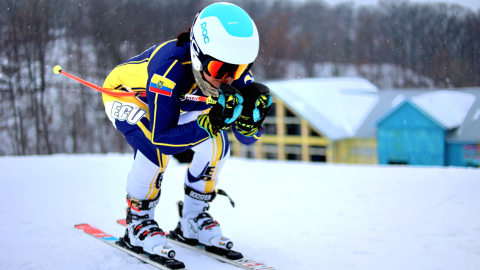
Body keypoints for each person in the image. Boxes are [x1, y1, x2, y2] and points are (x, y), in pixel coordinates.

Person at [102, 2, 272, 264]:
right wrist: (211, 122)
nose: (228, 79)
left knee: (217, 145)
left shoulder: (230, 69)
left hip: (177, 104)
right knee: (152, 150)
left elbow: (247, 139)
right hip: (129, 96)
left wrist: (250, 123)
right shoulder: (168, 69)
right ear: (196, 54)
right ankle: (138, 221)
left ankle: (193, 219)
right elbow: (163, 139)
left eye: (238, 69)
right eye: (219, 70)